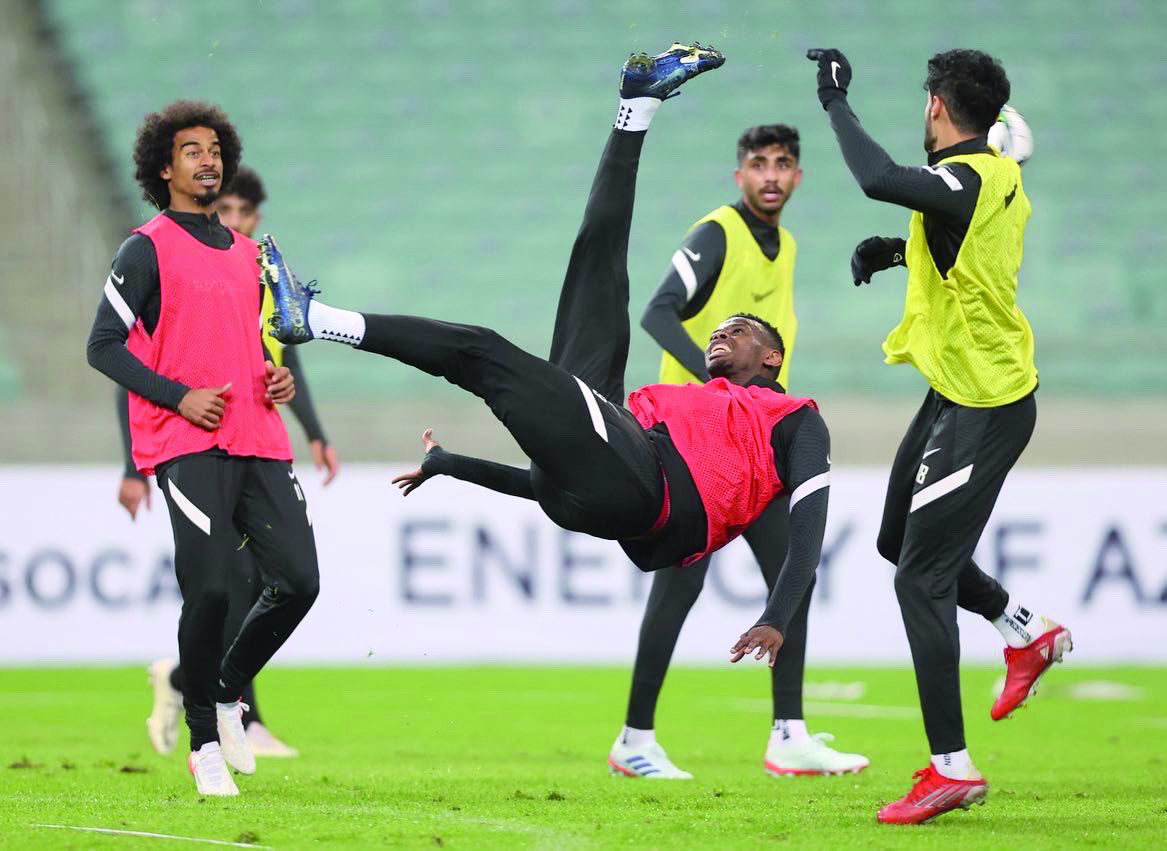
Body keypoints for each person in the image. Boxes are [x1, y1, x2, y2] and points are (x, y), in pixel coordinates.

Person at [266, 43, 832, 709]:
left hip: (645, 492)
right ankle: (636, 108)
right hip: (611, 461)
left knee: (484, 352)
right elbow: (552, 484)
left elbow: (807, 537)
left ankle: (317, 319)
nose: (719, 329)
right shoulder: (687, 399)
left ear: (771, 358)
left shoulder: (792, 419)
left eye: (738, 328)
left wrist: (776, 615)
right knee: (600, 262)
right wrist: (454, 464)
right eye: (717, 325)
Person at [806, 47, 1071, 824]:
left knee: (917, 578)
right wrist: (893, 253)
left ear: (934, 106)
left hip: (986, 404)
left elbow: (881, 180)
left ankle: (949, 768)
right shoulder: (987, 177)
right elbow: (968, 254)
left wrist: (833, 101)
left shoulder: (970, 175)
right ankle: (1026, 631)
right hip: (956, 393)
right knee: (899, 542)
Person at [606, 125, 866, 779]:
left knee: (791, 576)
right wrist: (715, 384)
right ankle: (634, 739)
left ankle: (788, 734)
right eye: (758, 164)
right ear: (739, 176)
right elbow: (658, 312)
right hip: (691, 447)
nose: (770, 175)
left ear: (798, 177)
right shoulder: (718, 232)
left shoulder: (787, 247)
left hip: (749, 446)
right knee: (680, 585)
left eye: (782, 164)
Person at [87, 101, 320, 797]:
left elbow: (246, 344)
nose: (208, 159)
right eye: (192, 150)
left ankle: (223, 692)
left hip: (259, 435)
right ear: (164, 167)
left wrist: (274, 377)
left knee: (299, 581)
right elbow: (102, 345)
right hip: (188, 442)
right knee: (212, 587)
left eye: (215, 148)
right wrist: (176, 395)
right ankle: (203, 742)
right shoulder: (146, 247)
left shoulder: (248, 252)